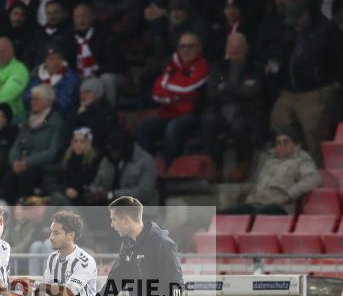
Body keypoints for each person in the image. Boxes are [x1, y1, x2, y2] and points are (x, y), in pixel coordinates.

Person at [269, 0, 343, 166]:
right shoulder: (291, 31)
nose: (293, 24)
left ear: (306, 14)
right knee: (277, 122)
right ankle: (288, 168)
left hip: (317, 89)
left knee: (313, 131)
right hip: (290, 90)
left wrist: (338, 82)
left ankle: (315, 172)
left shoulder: (328, 30)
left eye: (296, 19)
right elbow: (283, 56)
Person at [135, 30, 209, 165]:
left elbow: (189, 87)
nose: (186, 50)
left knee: (174, 127)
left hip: (192, 116)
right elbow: (157, 92)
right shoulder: (171, 66)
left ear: (199, 48)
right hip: (167, 113)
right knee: (142, 126)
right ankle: (148, 165)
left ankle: (167, 165)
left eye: (191, 46)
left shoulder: (203, 66)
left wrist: (169, 90)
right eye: (183, 46)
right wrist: (175, 96)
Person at [198, 32, 263, 182]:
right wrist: (239, 89)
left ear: (246, 48)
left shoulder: (254, 67)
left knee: (239, 126)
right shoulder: (219, 68)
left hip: (245, 111)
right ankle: (214, 164)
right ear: (226, 49)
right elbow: (212, 93)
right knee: (208, 120)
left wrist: (226, 87)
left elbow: (252, 92)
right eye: (232, 47)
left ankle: (243, 162)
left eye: (239, 46)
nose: (235, 50)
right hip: (221, 109)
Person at [222, 128, 319, 215]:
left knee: (253, 218)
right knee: (220, 215)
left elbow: (313, 179)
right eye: (278, 142)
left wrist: (289, 196)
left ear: (295, 145)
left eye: (286, 142)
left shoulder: (301, 159)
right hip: (256, 204)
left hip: (279, 207)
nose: (282, 145)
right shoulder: (269, 160)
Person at [4, 83, 67, 203]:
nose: (32, 101)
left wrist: (27, 163)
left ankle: (26, 210)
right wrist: (14, 161)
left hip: (42, 166)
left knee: (25, 177)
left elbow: (51, 152)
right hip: (22, 163)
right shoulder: (27, 118)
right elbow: (17, 144)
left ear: (48, 102)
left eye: (36, 99)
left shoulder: (55, 122)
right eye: (32, 98)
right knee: (9, 175)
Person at [91, 129, 158, 206]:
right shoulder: (107, 160)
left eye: (115, 149)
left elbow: (145, 193)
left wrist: (112, 194)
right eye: (110, 149)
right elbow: (98, 182)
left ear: (125, 147)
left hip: (140, 210)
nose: (112, 152)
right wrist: (93, 192)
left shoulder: (146, 161)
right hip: (112, 209)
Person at [25, 41, 80, 118]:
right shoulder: (36, 75)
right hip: (36, 113)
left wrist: (41, 99)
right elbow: (26, 96)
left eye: (58, 58)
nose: (55, 62)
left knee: (44, 123)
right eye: (51, 59)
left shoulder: (71, 78)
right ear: (45, 62)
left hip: (59, 117)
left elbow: (65, 103)